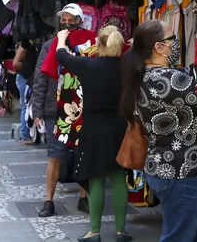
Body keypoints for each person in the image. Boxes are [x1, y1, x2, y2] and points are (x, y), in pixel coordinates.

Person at [120, 20, 197, 242]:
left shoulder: (146, 75)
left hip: (174, 168)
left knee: (193, 232)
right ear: (158, 47)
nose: (176, 44)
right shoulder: (169, 79)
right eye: (172, 39)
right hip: (181, 170)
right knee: (180, 236)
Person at [56, 25, 130, 242]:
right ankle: (120, 231)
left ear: (99, 44)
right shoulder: (127, 66)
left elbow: (62, 56)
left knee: (96, 179)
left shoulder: (88, 65)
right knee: (118, 178)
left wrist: (62, 38)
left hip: (93, 130)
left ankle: (95, 232)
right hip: (119, 128)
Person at [32, 4, 89, 217]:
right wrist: (37, 111)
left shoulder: (88, 43)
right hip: (53, 110)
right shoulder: (50, 45)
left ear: (79, 21)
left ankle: (84, 197)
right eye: (63, 20)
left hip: (82, 108)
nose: (66, 24)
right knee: (55, 155)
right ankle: (49, 200)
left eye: (71, 19)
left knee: (84, 155)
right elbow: (40, 78)